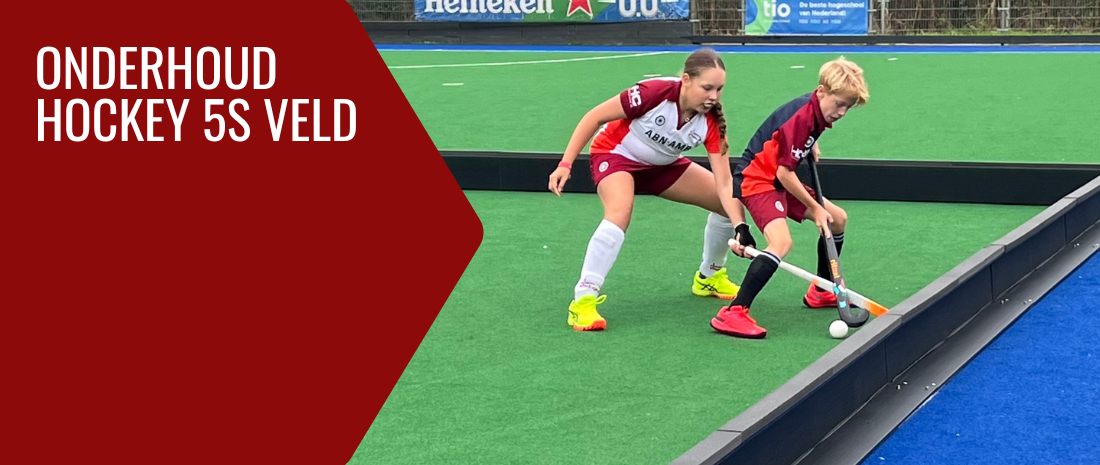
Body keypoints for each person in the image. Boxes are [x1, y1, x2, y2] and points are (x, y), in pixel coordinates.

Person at [548, 48, 756, 332]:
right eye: (707, 88)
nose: (714, 97)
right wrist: (565, 164)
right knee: (620, 212)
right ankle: (583, 300)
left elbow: (724, 183)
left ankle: (709, 276)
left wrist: (740, 226)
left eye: (719, 89)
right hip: (616, 155)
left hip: (663, 167)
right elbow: (594, 117)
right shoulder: (653, 93)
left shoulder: (710, 123)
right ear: (686, 80)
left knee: (728, 204)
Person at [715, 56, 870, 339]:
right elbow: (785, 173)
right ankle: (734, 312)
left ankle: (822, 289)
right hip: (758, 179)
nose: (842, 112)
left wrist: (811, 143)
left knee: (837, 219)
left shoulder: (815, 111)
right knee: (782, 242)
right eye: (839, 104)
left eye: (848, 106)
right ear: (821, 91)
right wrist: (815, 208)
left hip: (777, 179)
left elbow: (790, 142)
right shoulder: (803, 117)